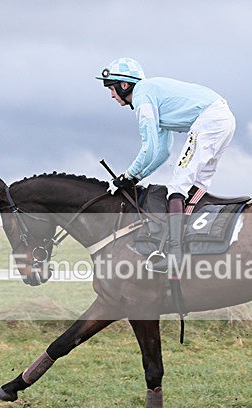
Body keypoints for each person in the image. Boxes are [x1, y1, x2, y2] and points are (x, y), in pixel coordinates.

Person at [96, 57, 236, 274]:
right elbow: (162, 152)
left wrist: (128, 176)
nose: (111, 95)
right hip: (223, 119)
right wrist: (136, 178)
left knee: (177, 186)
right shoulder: (152, 96)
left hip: (210, 120)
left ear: (124, 85)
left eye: (111, 88)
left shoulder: (142, 96)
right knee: (196, 186)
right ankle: (192, 241)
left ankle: (175, 254)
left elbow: (149, 147)